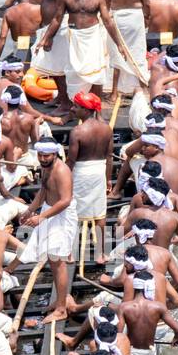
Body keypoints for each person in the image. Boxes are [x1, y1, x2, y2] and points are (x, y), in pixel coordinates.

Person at [35, 0, 136, 95]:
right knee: (72, 73)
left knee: (97, 74)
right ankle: (75, 105)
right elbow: (57, 18)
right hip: (73, 37)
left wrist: (119, 44)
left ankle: (97, 112)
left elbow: (108, 21)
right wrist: (45, 38)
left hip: (92, 37)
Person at [12, 139, 78, 323]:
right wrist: (30, 209)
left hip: (61, 216)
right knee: (51, 259)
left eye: (46, 156)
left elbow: (65, 201)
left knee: (58, 261)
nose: (42, 159)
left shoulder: (62, 171)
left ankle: (62, 309)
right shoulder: (45, 167)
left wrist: (41, 217)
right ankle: (60, 300)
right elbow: (43, 190)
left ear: (55, 154)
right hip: (49, 211)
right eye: (40, 155)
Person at [66, 91, 113, 265]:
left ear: (85, 110)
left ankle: (70, 253)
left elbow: (71, 160)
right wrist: (108, 179)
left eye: (76, 106)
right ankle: (101, 254)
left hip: (81, 172)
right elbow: (109, 157)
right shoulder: (106, 128)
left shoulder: (77, 131)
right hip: (99, 172)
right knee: (100, 213)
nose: (73, 109)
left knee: (73, 212)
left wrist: (63, 177)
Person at [101, 0, 151, 97]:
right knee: (138, 52)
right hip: (135, 18)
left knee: (116, 53)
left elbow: (106, 3)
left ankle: (114, 92)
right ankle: (143, 89)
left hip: (117, 17)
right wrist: (147, 18)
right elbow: (147, 3)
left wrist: (107, 20)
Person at [117, 272, 178, 355]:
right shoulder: (159, 307)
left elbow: (119, 335)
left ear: (135, 286)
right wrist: (176, 338)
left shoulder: (124, 307)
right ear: (150, 286)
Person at [0, 0, 43, 67]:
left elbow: (2, 37)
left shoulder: (9, 12)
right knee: (38, 67)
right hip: (37, 41)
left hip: (21, 42)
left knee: (23, 67)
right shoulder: (39, 9)